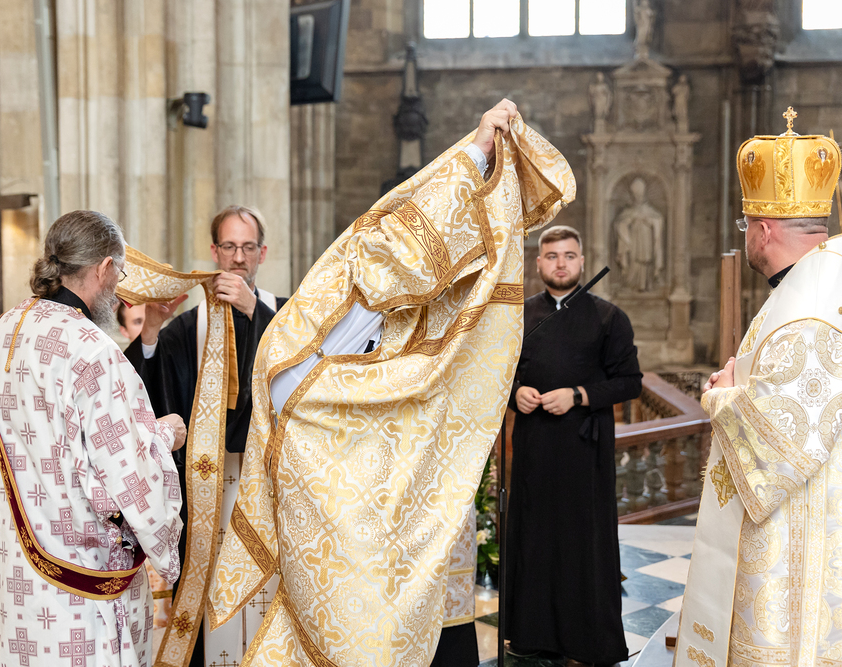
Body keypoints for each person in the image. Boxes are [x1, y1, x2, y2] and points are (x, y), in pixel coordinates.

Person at [207, 100, 577, 665]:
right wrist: (476, 155)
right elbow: (406, 259)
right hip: (338, 537)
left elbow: (417, 268)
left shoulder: (372, 330)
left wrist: (477, 158)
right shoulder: (320, 327)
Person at [675, 111, 842, 666]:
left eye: (746, 225)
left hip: (799, 527)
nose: (745, 236)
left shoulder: (809, 308)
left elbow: (789, 439)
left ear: (764, 230)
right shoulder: (818, 280)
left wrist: (722, 395)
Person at [0, 210, 187, 667]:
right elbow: (124, 470)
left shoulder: (6, 328)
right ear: (104, 267)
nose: (118, 285)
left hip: (21, 565)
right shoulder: (93, 349)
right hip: (80, 582)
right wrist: (166, 434)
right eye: (119, 272)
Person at [124, 205, 288, 667]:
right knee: (207, 598)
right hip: (205, 492)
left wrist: (253, 311)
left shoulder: (285, 315)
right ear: (214, 252)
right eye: (229, 247)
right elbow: (146, 398)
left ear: (262, 253)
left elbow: (304, 375)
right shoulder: (186, 327)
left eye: (248, 247)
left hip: (268, 485)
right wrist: (151, 329)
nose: (238, 258)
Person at [504, 224, 642, 666]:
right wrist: (515, 393)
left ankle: (588, 642)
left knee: (583, 543)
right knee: (535, 537)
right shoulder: (519, 316)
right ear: (538, 263)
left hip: (585, 451)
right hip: (534, 447)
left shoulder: (608, 317)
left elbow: (630, 382)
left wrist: (578, 395)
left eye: (568, 255)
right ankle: (532, 635)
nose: (560, 263)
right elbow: (497, 376)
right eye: (551, 256)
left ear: (581, 262)